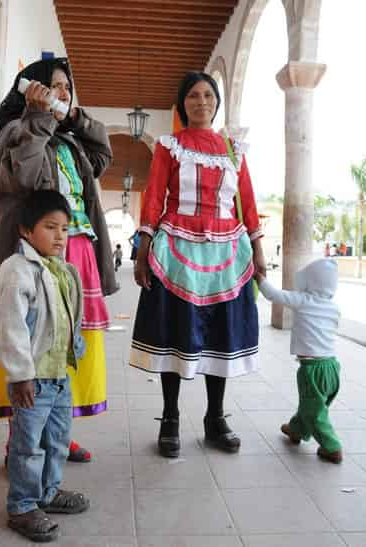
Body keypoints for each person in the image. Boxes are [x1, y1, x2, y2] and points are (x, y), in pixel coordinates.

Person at [0, 57, 116, 464]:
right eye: (53, 86)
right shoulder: (16, 134)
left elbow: (102, 157)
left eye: (66, 87)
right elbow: (26, 179)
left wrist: (75, 118)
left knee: (66, 350)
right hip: (36, 260)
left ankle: (57, 433)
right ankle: (21, 441)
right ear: (32, 89)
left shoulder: (70, 141)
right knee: (36, 347)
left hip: (77, 257)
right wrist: (39, 118)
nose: (61, 92)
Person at [130, 72, 265, 458]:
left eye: (208, 95)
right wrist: (143, 249)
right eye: (192, 95)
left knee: (220, 335)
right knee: (176, 332)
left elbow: (249, 203)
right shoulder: (169, 146)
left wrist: (257, 252)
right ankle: (170, 417)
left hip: (227, 254)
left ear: (217, 102)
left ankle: (215, 418)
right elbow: (154, 197)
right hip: (177, 252)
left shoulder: (233, 149)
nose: (201, 101)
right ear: (181, 103)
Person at [0, 190, 90, 541]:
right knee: (28, 445)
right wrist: (20, 375)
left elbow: (67, 316)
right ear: (26, 231)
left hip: (58, 376)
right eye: (51, 227)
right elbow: (8, 327)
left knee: (57, 440)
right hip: (32, 380)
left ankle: (47, 492)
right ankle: (22, 506)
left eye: (65, 228)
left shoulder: (60, 269)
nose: (60, 236)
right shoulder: (16, 272)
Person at [255, 258, 342, 463]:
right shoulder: (334, 307)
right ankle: (296, 430)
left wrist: (258, 277)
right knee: (312, 405)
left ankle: (332, 447)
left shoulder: (304, 300)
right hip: (332, 368)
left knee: (315, 411)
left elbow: (273, 294)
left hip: (312, 369)